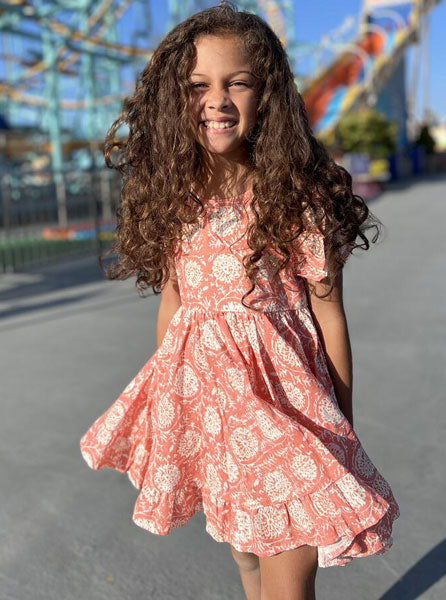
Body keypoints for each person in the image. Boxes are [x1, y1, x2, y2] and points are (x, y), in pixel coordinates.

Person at [79, 2, 400, 599]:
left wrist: (341, 428)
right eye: (199, 85)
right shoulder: (173, 196)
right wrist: (175, 413)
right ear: (176, 98)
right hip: (214, 416)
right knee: (247, 557)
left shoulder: (297, 195)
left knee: (287, 580)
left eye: (239, 83)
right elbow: (174, 307)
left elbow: (328, 314)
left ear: (267, 93)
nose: (218, 100)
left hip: (290, 414)